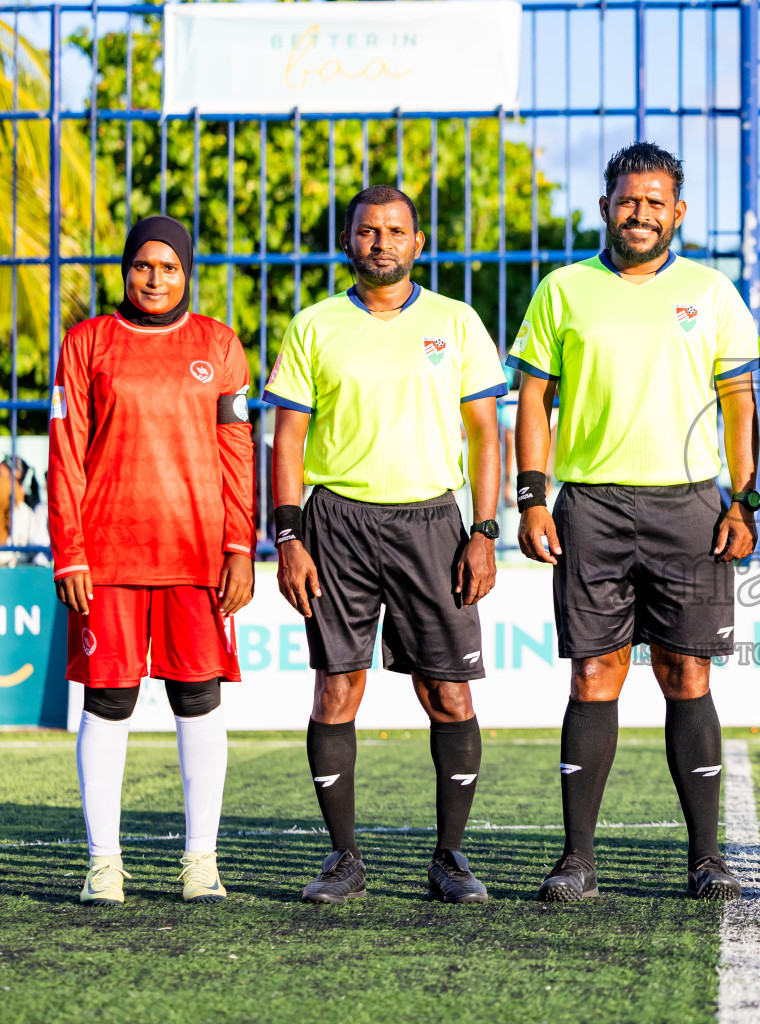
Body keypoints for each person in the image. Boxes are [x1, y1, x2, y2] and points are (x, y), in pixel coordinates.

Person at [511, 143, 760, 902]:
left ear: (678, 212)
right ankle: (578, 859)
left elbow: (740, 406)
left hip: (689, 506)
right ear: (605, 208)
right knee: (595, 675)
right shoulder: (563, 291)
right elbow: (531, 402)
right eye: (629, 200)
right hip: (592, 506)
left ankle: (707, 857)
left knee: (688, 675)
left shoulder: (713, 293)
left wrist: (743, 500)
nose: (641, 214)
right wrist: (530, 496)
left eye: (656, 202)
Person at [264, 185, 506, 905]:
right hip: (336, 522)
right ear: (349, 242)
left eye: (395, 231)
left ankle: (451, 858)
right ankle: (344, 859)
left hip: (432, 524)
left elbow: (487, 433)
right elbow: (289, 439)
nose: (381, 243)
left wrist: (485, 530)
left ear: (418, 242)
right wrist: (288, 535)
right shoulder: (314, 325)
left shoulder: (456, 323)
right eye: (368, 232)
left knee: (448, 691)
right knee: (338, 686)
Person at [49, 215, 256, 905]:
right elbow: (65, 455)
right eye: (144, 265)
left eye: (169, 266)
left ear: (187, 271)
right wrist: (69, 553)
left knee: (197, 697)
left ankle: (201, 862)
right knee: (109, 700)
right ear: (127, 269)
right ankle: (103, 864)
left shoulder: (218, 345)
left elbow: (236, 454)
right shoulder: (89, 343)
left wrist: (239, 547)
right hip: (106, 558)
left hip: (196, 556)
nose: (156, 277)